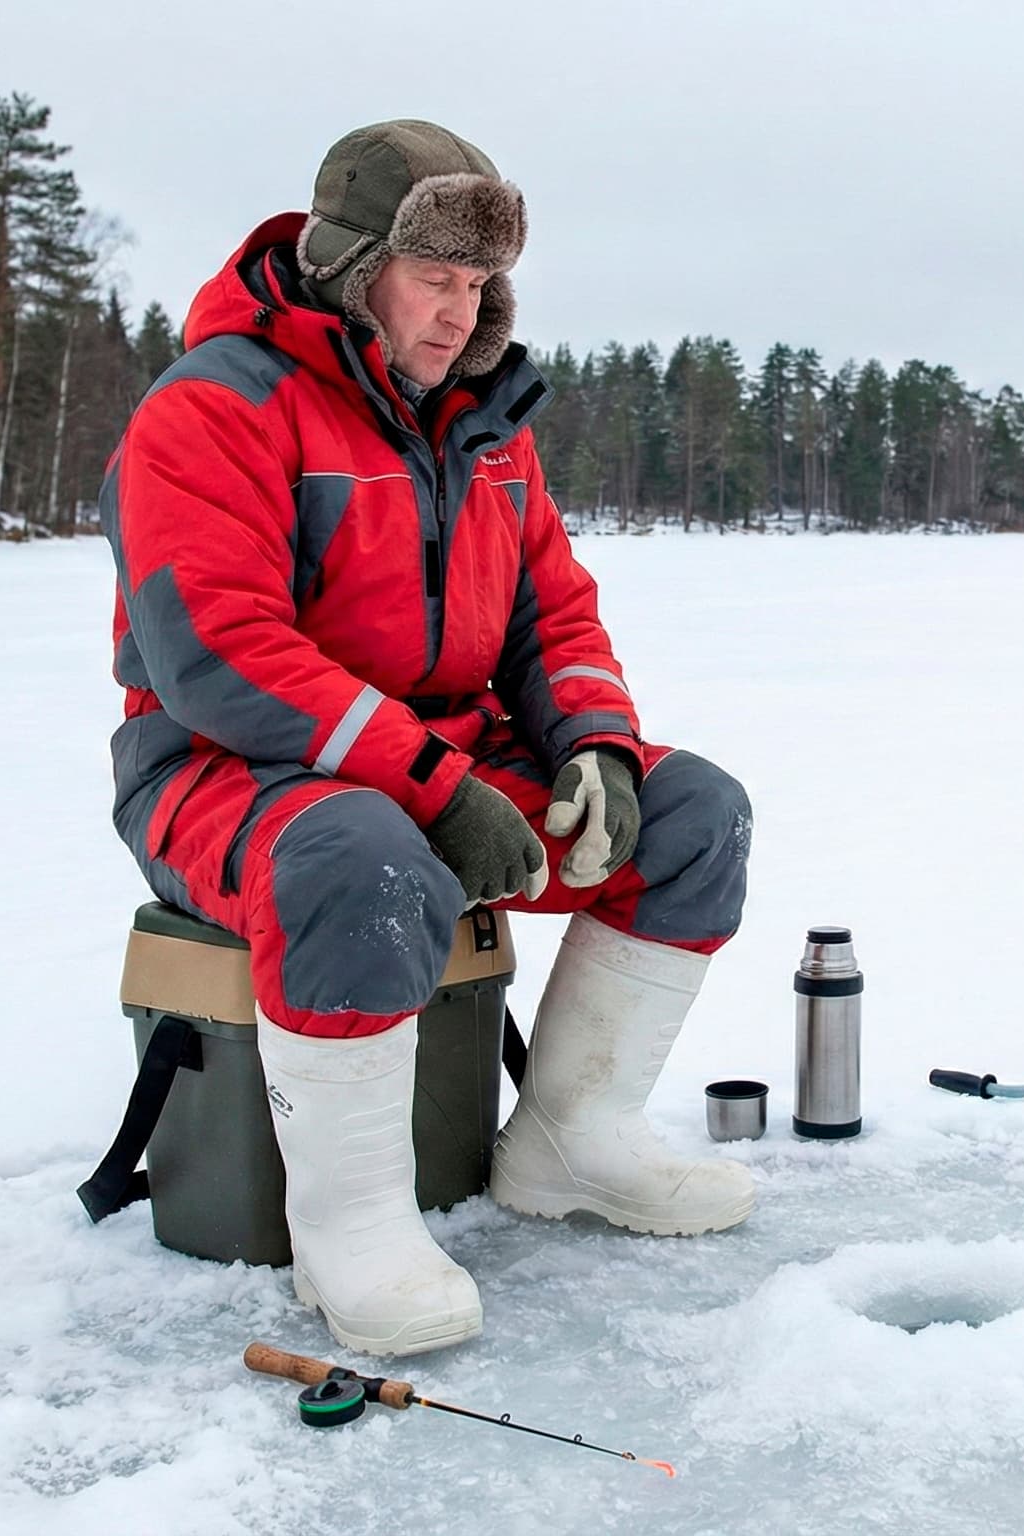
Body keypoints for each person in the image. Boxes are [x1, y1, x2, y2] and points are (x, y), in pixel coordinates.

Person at [98, 120, 755, 1357]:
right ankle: (348, 1226)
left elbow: (550, 611)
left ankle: (570, 1136)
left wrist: (595, 746)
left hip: (441, 769)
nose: (460, 316)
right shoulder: (213, 408)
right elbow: (215, 651)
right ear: (355, 269)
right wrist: (431, 783)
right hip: (220, 772)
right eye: (434, 280)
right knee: (358, 855)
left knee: (691, 815)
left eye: (478, 286)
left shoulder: (487, 427)